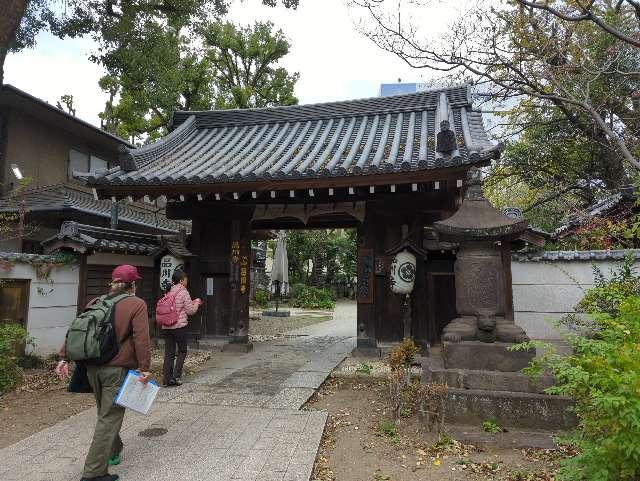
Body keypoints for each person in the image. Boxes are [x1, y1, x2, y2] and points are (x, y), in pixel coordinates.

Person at [55, 265, 151, 481]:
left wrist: (63, 357)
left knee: (106, 413)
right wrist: (144, 368)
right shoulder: (136, 304)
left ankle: (113, 451)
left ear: (113, 283)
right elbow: (141, 339)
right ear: (132, 284)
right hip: (115, 370)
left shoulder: (96, 302)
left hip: (91, 368)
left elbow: (76, 330)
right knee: (109, 417)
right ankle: (93, 473)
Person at [162, 269, 201, 387]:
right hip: (179, 326)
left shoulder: (168, 290)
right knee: (182, 351)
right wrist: (197, 303)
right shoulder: (184, 292)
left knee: (169, 353)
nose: (187, 281)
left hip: (166, 326)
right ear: (181, 280)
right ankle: (175, 377)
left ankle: (166, 380)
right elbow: (190, 311)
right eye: (186, 279)